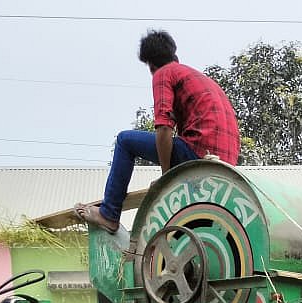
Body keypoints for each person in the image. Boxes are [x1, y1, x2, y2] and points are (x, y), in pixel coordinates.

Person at [74, 30, 240, 234]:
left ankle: (109, 214)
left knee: (124, 141)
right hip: (226, 163)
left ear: (151, 66)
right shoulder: (200, 78)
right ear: (175, 57)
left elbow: (164, 127)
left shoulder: (164, 73)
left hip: (198, 153)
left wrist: (166, 176)